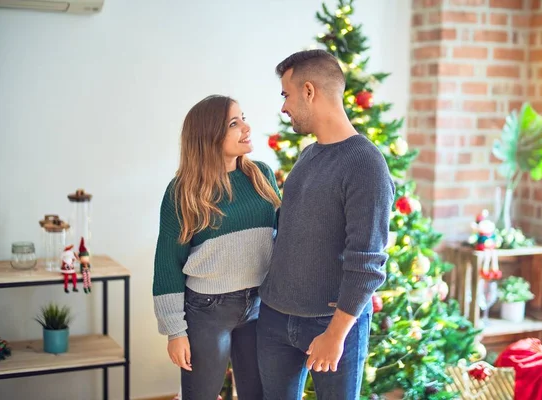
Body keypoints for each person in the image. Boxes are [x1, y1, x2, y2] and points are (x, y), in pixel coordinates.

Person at [257, 49, 395, 400]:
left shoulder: (366, 164)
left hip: (330, 325)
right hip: (275, 318)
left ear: (309, 90)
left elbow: (367, 262)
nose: (284, 107)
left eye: (286, 95)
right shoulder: (308, 155)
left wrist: (336, 334)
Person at [153, 95, 281, 400]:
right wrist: (175, 331)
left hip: (260, 305)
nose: (246, 127)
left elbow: (280, 239)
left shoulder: (260, 175)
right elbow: (167, 265)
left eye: (243, 118)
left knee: (258, 394)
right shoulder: (183, 191)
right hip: (207, 311)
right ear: (209, 135)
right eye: (233, 123)